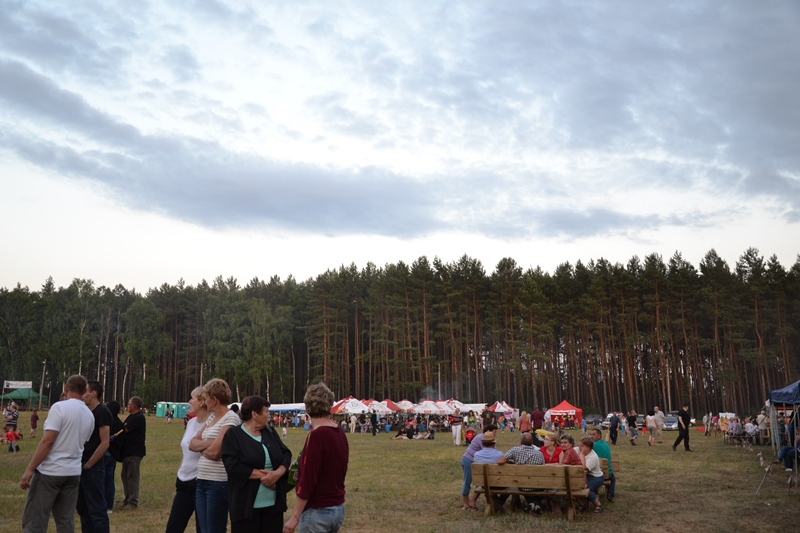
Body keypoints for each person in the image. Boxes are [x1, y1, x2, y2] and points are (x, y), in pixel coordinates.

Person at [20, 375, 95, 533]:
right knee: (65, 520)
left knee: (36, 520)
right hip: (73, 472)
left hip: (50, 471)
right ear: (84, 391)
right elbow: (82, 442)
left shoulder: (59, 407)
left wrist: (30, 469)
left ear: (66, 388)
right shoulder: (89, 415)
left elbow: (48, 441)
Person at [283, 382, 349, 533]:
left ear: (307, 408)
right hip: (337, 507)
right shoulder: (339, 432)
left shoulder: (316, 436)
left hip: (318, 511)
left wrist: (295, 516)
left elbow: (308, 479)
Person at [223, 395, 292, 532]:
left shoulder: (270, 432)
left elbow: (286, 453)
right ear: (254, 414)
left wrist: (277, 474)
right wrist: (264, 476)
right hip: (245, 508)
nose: (268, 415)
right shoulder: (233, 435)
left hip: (273, 507)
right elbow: (232, 466)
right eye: (266, 412)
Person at [192, 378, 241, 533]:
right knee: (204, 529)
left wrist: (202, 447)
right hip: (202, 480)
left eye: (206, 398)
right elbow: (192, 444)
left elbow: (215, 453)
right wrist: (209, 443)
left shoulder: (231, 419)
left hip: (218, 483)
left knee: (214, 529)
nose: (204, 401)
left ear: (214, 400)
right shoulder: (212, 417)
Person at [166, 386, 210, 533]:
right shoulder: (191, 423)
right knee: (173, 528)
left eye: (193, 398)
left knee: (203, 528)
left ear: (202, 402)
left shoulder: (212, 425)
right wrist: (180, 470)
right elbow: (186, 451)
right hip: (183, 483)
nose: (189, 401)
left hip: (201, 483)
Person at [77, 380, 112, 533]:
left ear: (93, 393)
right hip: (81, 466)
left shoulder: (102, 412)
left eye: (85, 391)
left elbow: (105, 443)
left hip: (93, 468)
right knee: (83, 509)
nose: (82, 395)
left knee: (97, 510)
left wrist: (89, 464)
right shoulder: (86, 412)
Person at [497, 432, 545, 513]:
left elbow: (500, 461)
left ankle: (533, 504)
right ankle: (536, 503)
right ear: (532, 442)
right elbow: (543, 469)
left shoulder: (515, 450)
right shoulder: (539, 454)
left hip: (521, 485)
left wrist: (511, 463)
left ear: (521, 442)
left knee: (524, 485)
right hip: (537, 485)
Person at [459, 424, 497, 510]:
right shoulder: (481, 438)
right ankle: (466, 504)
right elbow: (489, 452)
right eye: (494, 432)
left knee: (481, 482)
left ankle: (472, 501)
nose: (495, 434)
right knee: (467, 481)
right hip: (469, 460)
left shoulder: (490, 440)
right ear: (488, 431)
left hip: (478, 462)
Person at [120, 396, 147, 510]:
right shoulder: (131, 416)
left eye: (129, 404)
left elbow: (124, 430)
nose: (128, 406)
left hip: (135, 451)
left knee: (132, 476)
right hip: (127, 451)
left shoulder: (138, 417)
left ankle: (133, 502)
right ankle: (127, 499)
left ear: (134, 406)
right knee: (125, 476)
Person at [104, 401, 124, 515]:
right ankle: (109, 506)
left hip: (104, 454)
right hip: (113, 456)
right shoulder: (120, 423)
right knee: (109, 480)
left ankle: (101, 504)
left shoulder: (106, 421)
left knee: (101, 480)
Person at [578, 437, 604, 513]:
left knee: (587, 489)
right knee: (575, 486)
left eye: (582, 446)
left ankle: (598, 504)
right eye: (579, 445)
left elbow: (583, 468)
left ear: (588, 447)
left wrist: (582, 454)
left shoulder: (593, 456)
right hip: (584, 475)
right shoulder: (578, 449)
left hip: (596, 477)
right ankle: (583, 504)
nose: (580, 447)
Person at [590, 428, 615, 503]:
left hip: (595, 474)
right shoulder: (606, 445)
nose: (591, 436)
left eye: (593, 434)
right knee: (613, 478)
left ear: (599, 436)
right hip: (607, 473)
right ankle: (610, 494)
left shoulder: (592, 446)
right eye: (591, 434)